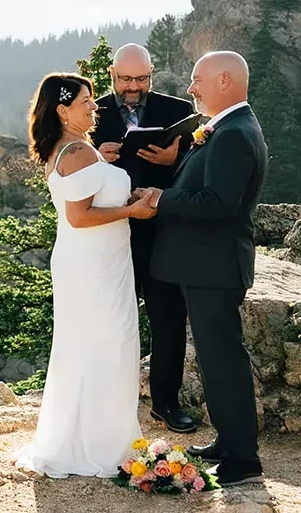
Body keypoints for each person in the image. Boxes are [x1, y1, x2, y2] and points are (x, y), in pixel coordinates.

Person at [133, 51, 269, 487]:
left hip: (215, 266)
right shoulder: (228, 127)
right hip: (206, 265)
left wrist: (160, 198)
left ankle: (242, 458)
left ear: (225, 80)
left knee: (224, 359)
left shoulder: (232, 134)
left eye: (197, 80)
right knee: (214, 360)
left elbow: (218, 204)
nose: (190, 89)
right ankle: (228, 443)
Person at [15, 73, 157, 479]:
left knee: (98, 344)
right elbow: (79, 216)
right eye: (85, 102)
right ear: (62, 111)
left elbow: (93, 201)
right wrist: (132, 211)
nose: (95, 107)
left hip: (99, 261)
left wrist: (123, 196)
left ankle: (97, 435)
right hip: (92, 266)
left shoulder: (79, 148)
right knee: (109, 343)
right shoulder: (76, 150)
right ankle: (101, 445)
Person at [90, 43, 198, 435]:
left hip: (162, 233)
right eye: (126, 79)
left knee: (168, 320)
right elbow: (66, 166)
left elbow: (198, 170)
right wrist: (95, 156)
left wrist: (174, 160)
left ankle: (166, 403)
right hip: (109, 234)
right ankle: (101, 404)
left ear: (152, 74)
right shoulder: (91, 113)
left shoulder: (178, 112)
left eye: (141, 79)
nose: (134, 87)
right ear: (112, 75)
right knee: (106, 320)